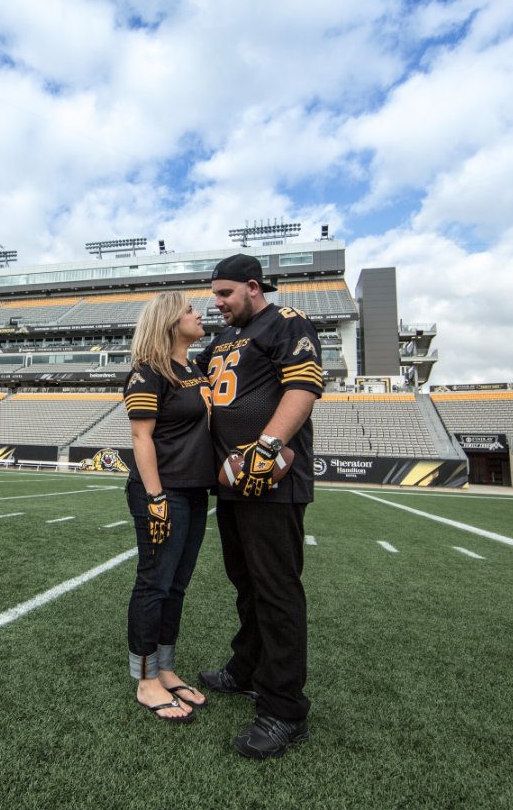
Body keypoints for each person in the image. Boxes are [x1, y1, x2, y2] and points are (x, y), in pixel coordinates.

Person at [196, 253, 323, 758]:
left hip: (271, 481)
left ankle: (284, 709)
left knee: (275, 590)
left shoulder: (285, 322)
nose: (218, 304)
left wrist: (266, 447)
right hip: (230, 482)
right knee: (244, 584)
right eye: (214, 296)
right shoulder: (221, 339)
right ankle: (247, 668)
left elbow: (303, 386)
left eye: (225, 294)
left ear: (253, 287)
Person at [123, 290, 217, 723]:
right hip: (163, 492)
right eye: (190, 310)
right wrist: (156, 497)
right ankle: (145, 679)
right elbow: (142, 438)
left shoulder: (193, 368)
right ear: (169, 321)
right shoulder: (148, 371)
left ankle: (165, 667)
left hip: (195, 491)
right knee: (154, 584)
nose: (199, 315)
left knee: (176, 586)